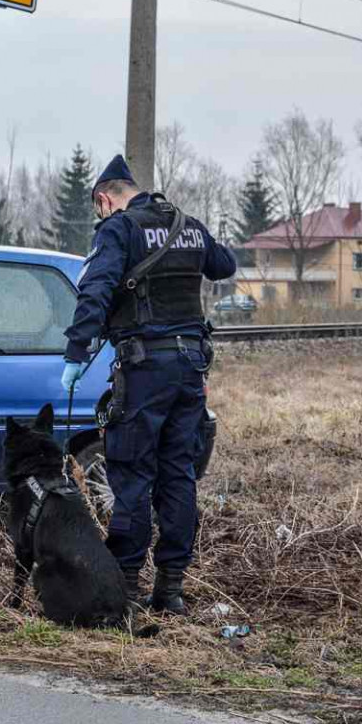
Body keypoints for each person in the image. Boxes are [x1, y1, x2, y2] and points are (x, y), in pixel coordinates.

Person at [61, 154, 236, 614]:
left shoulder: (119, 229)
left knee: (133, 474)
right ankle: (171, 589)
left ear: (105, 199)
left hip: (144, 370)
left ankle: (127, 588)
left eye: (100, 209)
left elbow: (95, 289)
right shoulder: (189, 224)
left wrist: (77, 352)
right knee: (178, 473)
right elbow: (224, 265)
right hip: (191, 370)